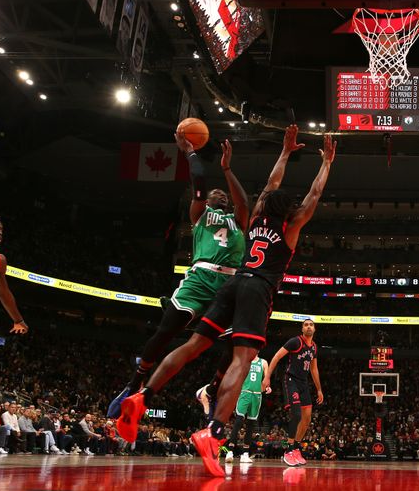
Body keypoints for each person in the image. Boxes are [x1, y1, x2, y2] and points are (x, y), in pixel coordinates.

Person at [118, 128, 336, 477]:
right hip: (258, 289)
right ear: (290, 211)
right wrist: (326, 162)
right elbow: (315, 192)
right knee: (243, 357)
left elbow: (272, 181)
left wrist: (284, 153)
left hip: (234, 283)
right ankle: (215, 432)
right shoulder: (292, 224)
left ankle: (142, 396)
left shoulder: (259, 213)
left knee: (192, 345)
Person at [108, 136, 248, 418]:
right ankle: (135, 384)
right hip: (200, 278)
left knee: (238, 343)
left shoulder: (239, 221)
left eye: (223, 194)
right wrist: (191, 154)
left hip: (230, 283)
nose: (219, 194)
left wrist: (227, 169)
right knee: (166, 331)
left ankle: (211, 389)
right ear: (206, 201)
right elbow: (198, 182)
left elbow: (243, 201)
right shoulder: (200, 214)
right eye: (214, 194)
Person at [263, 319, 323, 466]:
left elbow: (314, 369)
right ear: (302, 329)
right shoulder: (295, 342)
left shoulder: (314, 347)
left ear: (314, 329)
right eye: (306, 325)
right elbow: (277, 356)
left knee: (307, 418)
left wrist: (319, 389)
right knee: (296, 415)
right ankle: (288, 451)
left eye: (311, 325)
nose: (309, 327)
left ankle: (296, 448)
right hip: (291, 380)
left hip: (303, 383)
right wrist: (267, 377)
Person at [225, 354, 271, 464]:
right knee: (238, 421)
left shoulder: (263, 362)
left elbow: (266, 379)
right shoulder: (244, 360)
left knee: (251, 424)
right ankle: (230, 451)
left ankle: (245, 454)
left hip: (257, 395)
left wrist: (268, 387)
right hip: (244, 393)